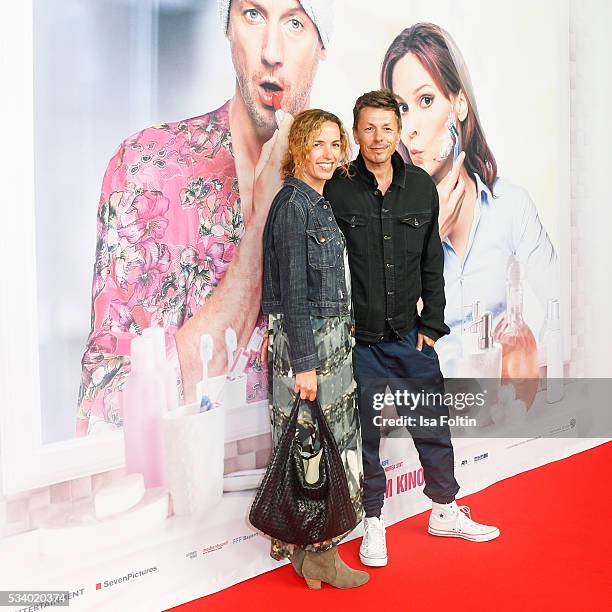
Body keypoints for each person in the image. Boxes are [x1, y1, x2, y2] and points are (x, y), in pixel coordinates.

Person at [77, 0, 333, 434]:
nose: (271, 52)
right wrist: (260, 233)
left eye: (294, 22)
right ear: (228, 27)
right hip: (191, 496)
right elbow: (103, 416)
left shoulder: (350, 190)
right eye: (253, 15)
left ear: (321, 45)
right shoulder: (148, 170)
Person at [324, 90, 500, 568]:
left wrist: (432, 325)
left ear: (398, 132)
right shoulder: (336, 190)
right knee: (365, 438)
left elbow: (430, 263)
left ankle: (444, 509)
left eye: (387, 128)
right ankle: (373, 523)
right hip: (359, 343)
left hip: (409, 335)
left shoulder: (421, 187)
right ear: (355, 132)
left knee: (433, 427)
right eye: (368, 128)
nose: (378, 138)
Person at [380, 22, 559, 377]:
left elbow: (563, 314)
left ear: (458, 104)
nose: (410, 126)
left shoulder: (510, 206)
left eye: (425, 100)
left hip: (503, 414)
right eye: (401, 108)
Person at [262, 109, 368, 589]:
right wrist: (304, 364)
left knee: (325, 443)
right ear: (299, 149)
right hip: (311, 347)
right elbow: (294, 293)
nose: (328, 155)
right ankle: (321, 555)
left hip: (329, 341)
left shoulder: (317, 202)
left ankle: (311, 554)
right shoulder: (294, 206)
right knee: (317, 448)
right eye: (318, 145)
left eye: (334, 145)